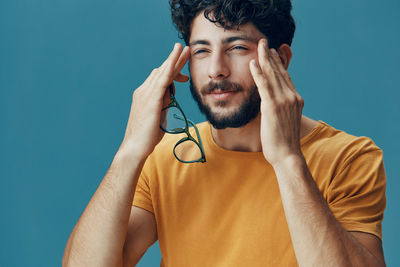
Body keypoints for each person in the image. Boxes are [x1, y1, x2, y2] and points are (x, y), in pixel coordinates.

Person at [62, 0, 387, 266]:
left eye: (237, 47)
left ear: (281, 59)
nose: (217, 68)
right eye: (201, 50)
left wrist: (288, 160)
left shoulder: (349, 158)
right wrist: (130, 150)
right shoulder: (164, 159)